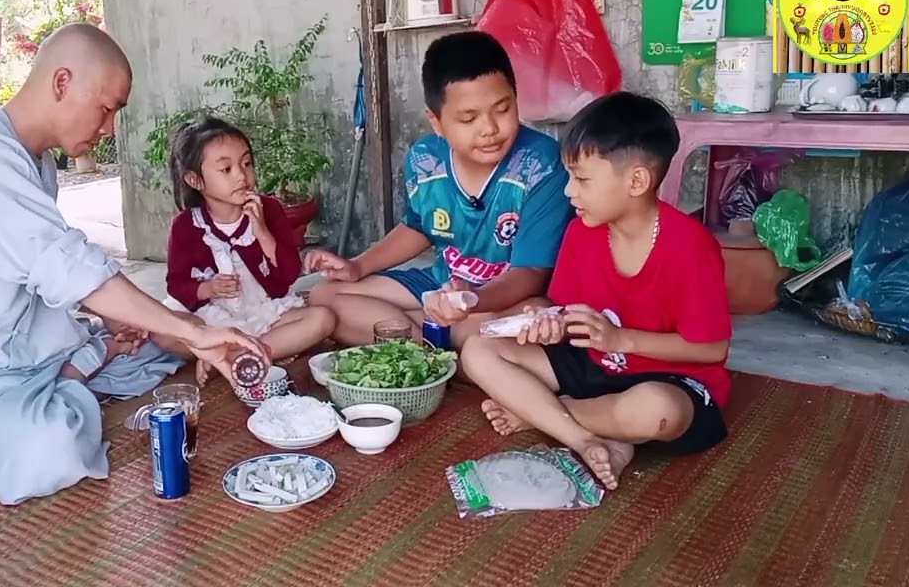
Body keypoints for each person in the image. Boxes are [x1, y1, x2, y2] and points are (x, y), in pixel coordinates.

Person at [0, 23, 270, 506]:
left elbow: (56, 268)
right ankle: (77, 373)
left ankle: (84, 363)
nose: (108, 128)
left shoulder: (36, 160)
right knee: (47, 449)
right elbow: (65, 263)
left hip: (31, 349)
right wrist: (187, 330)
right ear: (62, 82)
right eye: (106, 109)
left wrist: (164, 327)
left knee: (165, 344)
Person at [461, 91, 732, 491]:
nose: (570, 191)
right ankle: (585, 438)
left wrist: (621, 339)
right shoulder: (581, 232)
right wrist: (548, 323)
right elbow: (565, 311)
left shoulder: (690, 247)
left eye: (582, 179)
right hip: (593, 364)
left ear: (636, 180)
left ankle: (547, 414)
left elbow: (711, 350)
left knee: (655, 412)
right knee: (478, 349)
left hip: (667, 378)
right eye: (569, 176)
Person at [307, 31, 574, 350]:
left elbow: (531, 272)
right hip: (443, 284)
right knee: (324, 295)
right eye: (468, 118)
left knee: (537, 318)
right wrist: (358, 266)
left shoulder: (541, 165)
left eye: (502, 109)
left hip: (503, 299)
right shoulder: (425, 160)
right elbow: (419, 227)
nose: (489, 128)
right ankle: (431, 349)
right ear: (436, 122)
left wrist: (471, 301)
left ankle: (426, 336)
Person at [163, 117, 336, 383]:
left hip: (263, 311)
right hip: (212, 319)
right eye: (226, 169)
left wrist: (262, 233)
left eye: (246, 164)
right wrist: (207, 289)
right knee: (160, 332)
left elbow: (288, 275)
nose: (242, 176)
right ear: (195, 180)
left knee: (323, 319)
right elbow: (176, 283)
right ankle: (250, 348)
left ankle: (239, 353)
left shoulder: (270, 210)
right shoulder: (186, 226)